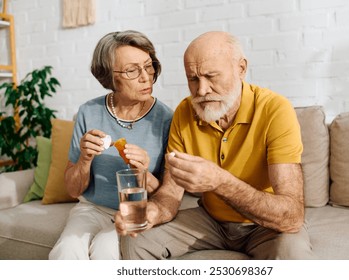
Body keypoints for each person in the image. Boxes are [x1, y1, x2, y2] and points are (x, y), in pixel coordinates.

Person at [115, 31, 315, 259]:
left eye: (211, 76)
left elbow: (292, 216)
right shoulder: (185, 111)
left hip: (265, 225)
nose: (201, 91)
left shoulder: (275, 110)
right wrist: (152, 212)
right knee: (136, 241)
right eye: (193, 79)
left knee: (294, 255)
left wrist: (219, 181)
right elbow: (171, 193)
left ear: (241, 69)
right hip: (211, 221)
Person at [49, 30, 173, 259]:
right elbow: (74, 190)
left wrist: (144, 172)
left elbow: (169, 197)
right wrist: (85, 159)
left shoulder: (166, 119)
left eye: (149, 65)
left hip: (136, 209)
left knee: (106, 250)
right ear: (109, 77)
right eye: (132, 70)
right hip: (91, 209)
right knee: (66, 250)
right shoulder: (89, 112)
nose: (146, 76)